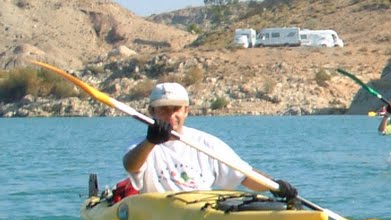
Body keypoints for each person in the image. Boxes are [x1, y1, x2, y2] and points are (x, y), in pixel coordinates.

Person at [122, 81, 297, 199]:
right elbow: (131, 165)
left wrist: (273, 185)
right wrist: (151, 141)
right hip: (159, 212)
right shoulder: (141, 145)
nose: (171, 115)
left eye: (176, 109)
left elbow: (244, 176)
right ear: (151, 112)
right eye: (164, 110)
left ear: (186, 111)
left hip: (199, 211)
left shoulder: (206, 143)